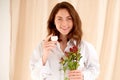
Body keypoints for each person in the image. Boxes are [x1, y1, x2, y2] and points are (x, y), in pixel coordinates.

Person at [30, 1, 100, 80]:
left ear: (74, 21)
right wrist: (45, 56)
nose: (64, 24)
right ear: (53, 21)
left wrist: (83, 75)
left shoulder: (84, 46)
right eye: (59, 19)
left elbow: (95, 69)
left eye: (69, 18)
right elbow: (34, 76)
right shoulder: (42, 46)